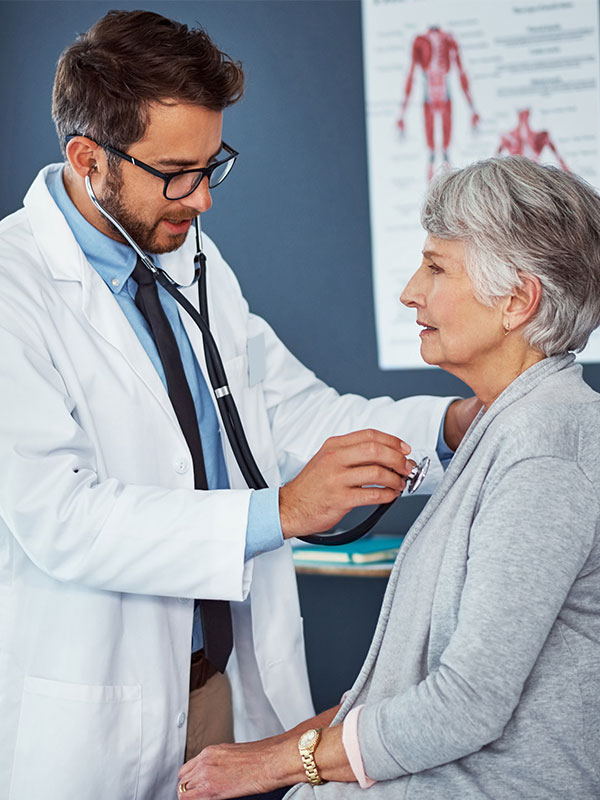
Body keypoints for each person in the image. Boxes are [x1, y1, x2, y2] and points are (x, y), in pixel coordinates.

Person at [0, 10, 478, 800]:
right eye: (176, 171)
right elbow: (62, 517)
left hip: (218, 688)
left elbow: (285, 416)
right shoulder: (14, 291)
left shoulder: (185, 249)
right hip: (96, 706)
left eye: (211, 164)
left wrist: (450, 428)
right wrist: (281, 512)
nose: (203, 201)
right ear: (88, 158)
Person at [178, 155, 600, 800]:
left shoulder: (544, 448)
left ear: (517, 300)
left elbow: (466, 703)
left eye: (436, 268)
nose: (410, 290)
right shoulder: (506, 428)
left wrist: (281, 762)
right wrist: (278, 752)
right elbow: (414, 686)